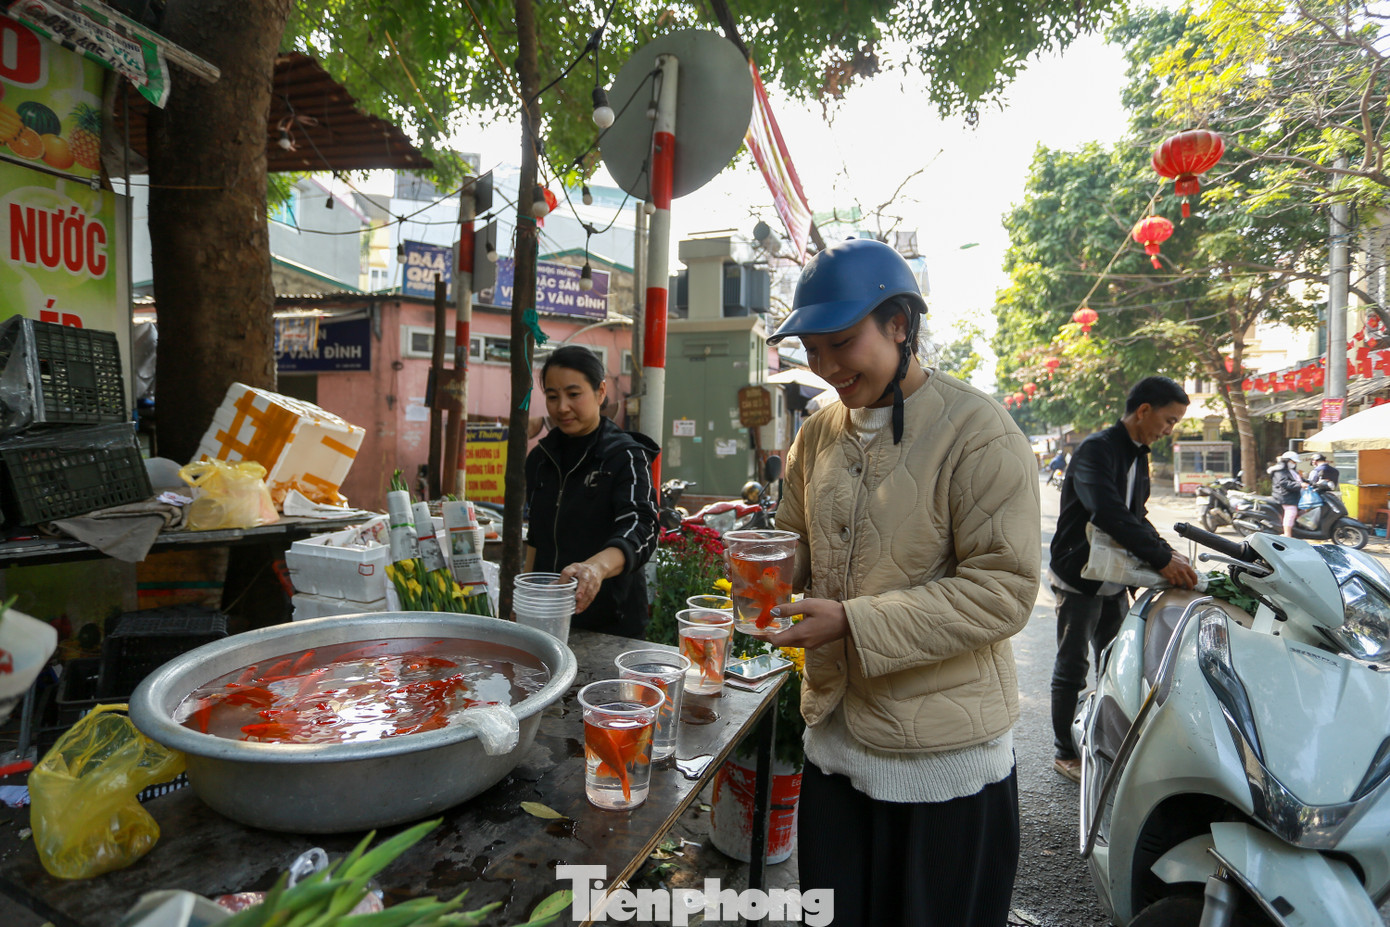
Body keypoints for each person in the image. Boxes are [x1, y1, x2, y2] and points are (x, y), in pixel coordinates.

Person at [759, 238, 1040, 927]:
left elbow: (1004, 590)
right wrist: (763, 572)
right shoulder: (818, 433)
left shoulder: (979, 431)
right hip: (835, 748)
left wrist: (853, 621)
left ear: (900, 326)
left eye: (842, 343)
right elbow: (794, 536)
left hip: (944, 765)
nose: (826, 368)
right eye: (812, 350)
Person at [1048, 376, 1199, 784]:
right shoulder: (1096, 450)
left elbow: (1136, 515)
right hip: (1080, 577)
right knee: (1072, 667)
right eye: (1168, 420)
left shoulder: (1139, 455)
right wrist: (1161, 559)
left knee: (1115, 663)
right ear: (1144, 410)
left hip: (1115, 578)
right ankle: (1065, 750)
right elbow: (1107, 513)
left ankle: (1104, 738)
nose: (1169, 430)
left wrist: (1167, 551)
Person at [523, 345, 659, 637]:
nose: (562, 407)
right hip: (548, 620)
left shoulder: (625, 456)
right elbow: (535, 537)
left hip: (611, 626)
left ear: (600, 392)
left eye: (574, 394)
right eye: (552, 396)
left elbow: (641, 526)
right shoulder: (540, 459)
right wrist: (525, 601)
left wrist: (595, 569)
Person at [1270, 450, 1305, 537]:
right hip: (1284, 495)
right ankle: (1287, 533)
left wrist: (1310, 482)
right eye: (1292, 461)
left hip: (1293, 495)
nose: (1294, 463)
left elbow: (1299, 480)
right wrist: (1300, 485)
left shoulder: (1291, 471)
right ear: (1287, 461)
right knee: (1291, 511)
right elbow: (1284, 483)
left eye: (1295, 462)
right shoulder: (1279, 471)